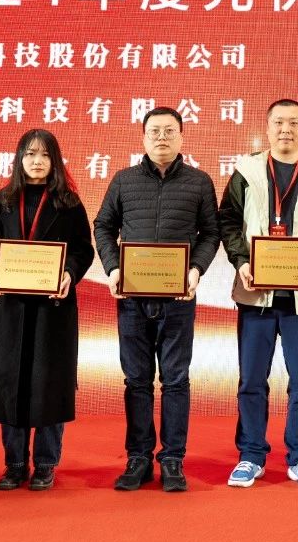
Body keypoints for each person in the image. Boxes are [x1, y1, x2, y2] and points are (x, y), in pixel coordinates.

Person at [218, 99, 298, 489]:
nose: (285, 129)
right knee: (251, 381)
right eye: (278, 123)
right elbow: (228, 222)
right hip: (255, 294)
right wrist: (242, 262)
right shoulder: (246, 171)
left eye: (293, 123)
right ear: (267, 128)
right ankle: (251, 455)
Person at [93, 107, 221, 492]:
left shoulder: (199, 182)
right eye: (154, 131)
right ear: (143, 137)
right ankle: (138, 458)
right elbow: (103, 226)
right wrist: (113, 268)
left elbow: (211, 233)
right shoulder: (124, 180)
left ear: (181, 137)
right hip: (132, 298)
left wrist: (196, 269)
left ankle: (173, 460)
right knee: (137, 380)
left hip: (178, 298)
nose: (161, 137)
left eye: (169, 131)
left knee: (176, 380)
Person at [0, 128, 94, 492]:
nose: (37, 161)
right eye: (30, 154)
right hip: (8, 309)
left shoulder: (69, 203)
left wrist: (69, 273)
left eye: (44, 155)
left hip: (51, 311)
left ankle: (45, 464)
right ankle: (14, 465)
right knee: (10, 385)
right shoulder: (2, 201)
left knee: (48, 386)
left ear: (54, 161)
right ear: (19, 159)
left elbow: (83, 249)